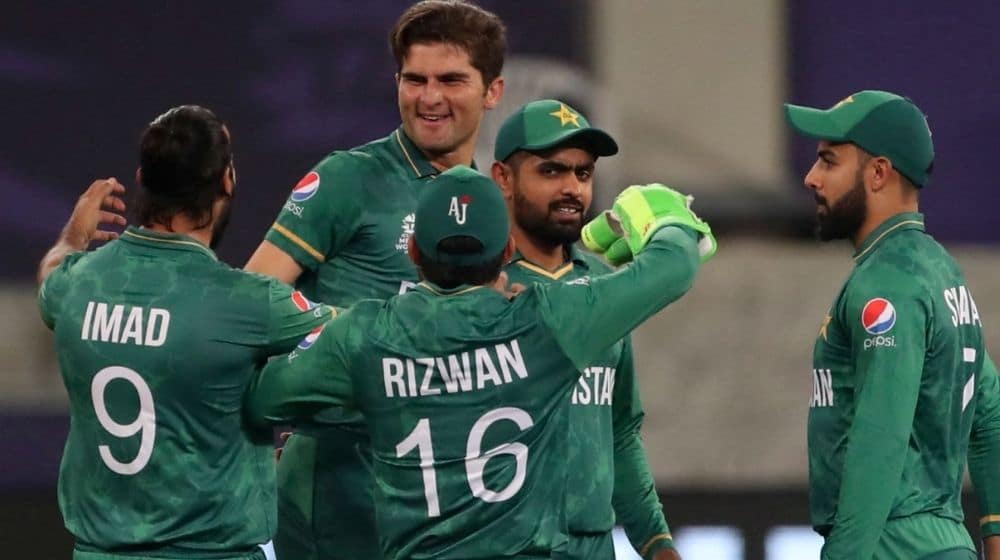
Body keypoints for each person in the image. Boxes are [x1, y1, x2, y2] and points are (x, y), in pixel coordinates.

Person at [243, 165, 715, 559]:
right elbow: (675, 265)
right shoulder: (549, 322)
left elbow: (264, 400)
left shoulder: (365, 334)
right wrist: (662, 214)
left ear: (414, 252)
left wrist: (366, 399)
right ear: (507, 251)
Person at [243, 1, 506, 557]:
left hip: (444, 477)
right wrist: (352, 330)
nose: (429, 98)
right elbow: (250, 301)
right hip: (340, 477)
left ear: (493, 91)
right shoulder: (349, 178)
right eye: (415, 79)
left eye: (451, 80)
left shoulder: (485, 204)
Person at [37, 105, 334, 560]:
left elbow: (50, 276)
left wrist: (73, 237)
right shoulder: (245, 301)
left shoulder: (77, 283)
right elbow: (364, 335)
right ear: (227, 181)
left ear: (143, 179)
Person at [785, 90, 1000, 560]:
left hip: (889, 546)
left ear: (878, 173)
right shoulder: (941, 271)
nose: (811, 177)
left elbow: (879, 441)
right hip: (945, 544)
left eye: (828, 161)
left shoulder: (885, 285)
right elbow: (989, 412)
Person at [490, 99, 680, 560]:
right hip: (502, 544)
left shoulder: (601, 284)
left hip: (593, 547)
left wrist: (657, 545)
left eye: (583, 173)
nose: (572, 188)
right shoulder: (477, 285)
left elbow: (620, 433)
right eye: (551, 171)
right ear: (503, 179)